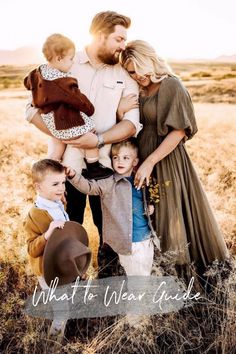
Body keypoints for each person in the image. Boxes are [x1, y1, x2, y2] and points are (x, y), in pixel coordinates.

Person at [25, 11, 140, 276]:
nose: (123, 45)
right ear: (100, 35)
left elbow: (132, 124)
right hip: (66, 170)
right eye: (119, 39)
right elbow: (31, 109)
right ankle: (67, 288)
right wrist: (65, 136)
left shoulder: (125, 75)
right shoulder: (66, 61)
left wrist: (97, 140)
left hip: (106, 171)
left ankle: (109, 285)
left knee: (108, 233)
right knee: (67, 230)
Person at [120, 40, 230, 277]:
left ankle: (185, 279)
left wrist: (150, 162)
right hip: (142, 159)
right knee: (151, 215)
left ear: (149, 60)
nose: (136, 76)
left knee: (172, 214)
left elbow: (179, 132)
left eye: (137, 69)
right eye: (130, 72)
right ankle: (155, 275)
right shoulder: (138, 90)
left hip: (167, 160)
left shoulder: (171, 85)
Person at [24, 33, 113, 180]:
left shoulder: (37, 72)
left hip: (50, 122)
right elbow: (76, 98)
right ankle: (93, 167)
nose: (72, 63)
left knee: (58, 145)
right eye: (70, 59)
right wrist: (89, 109)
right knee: (90, 136)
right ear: (59, 58)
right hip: (65, 121)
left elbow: (27, 82)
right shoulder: (62, 80)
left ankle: (48, 171)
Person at [66, 138, 160, 276]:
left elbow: (150, 196)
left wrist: (151, 205)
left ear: (135, 161)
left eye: (125, 158)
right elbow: (89, 187)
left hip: (145, 239)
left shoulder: (141, 179)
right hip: (125, 242)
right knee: (135, 278)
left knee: (145, 275)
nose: (120, 161)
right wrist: (74, 176)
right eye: (116, 157)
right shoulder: (110, 183)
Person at [23, 159, 90, 338]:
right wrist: (47, 234)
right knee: (61, 312)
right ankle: (53, 344)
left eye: (62, 183)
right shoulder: (35, 215)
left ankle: (70, 332)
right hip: (48, 270)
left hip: (62, 265)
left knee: (67, 302)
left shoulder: (58, 204)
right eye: (55, 184)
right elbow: (31, 249)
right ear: (38, 187)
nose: (61, 188)